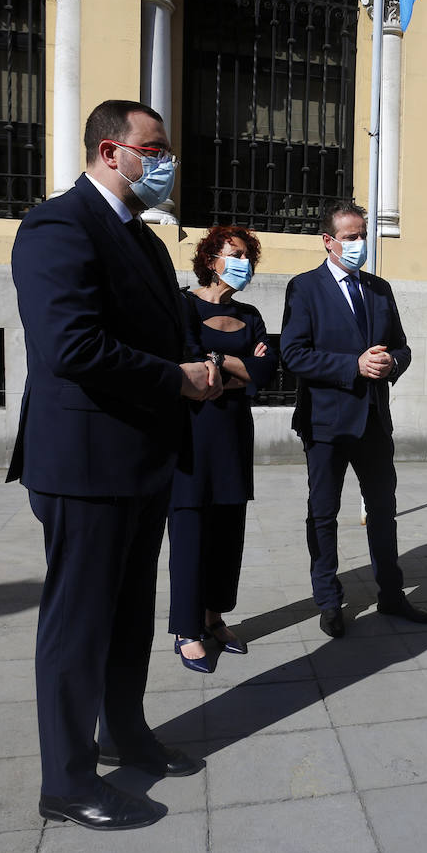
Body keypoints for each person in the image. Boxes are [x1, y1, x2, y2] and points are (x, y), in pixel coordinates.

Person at [8, 99, 218, 830]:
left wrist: (208, 362)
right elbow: (72, 347)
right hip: (86, 464)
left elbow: (163, 330)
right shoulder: (58, 226)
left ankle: (122, 731)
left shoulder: (144, 238)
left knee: (130, 618)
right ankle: (65, 782)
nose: (165, 163)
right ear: (109, 151)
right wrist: (177, 378)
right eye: (153, 149)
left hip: (142, 459)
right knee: (79, 624)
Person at [279, 201, 427, 638]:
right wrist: (354, 366)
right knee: (323, 514)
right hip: (326, 424)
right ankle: (329, 600)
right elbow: (293, 355)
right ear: (328, 242)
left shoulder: (379, 289)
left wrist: (391, 364)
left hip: (373, 422)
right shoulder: (304, 288)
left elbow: (401, 346)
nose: (359, 243)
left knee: (383, 511)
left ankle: (391, 594)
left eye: (363, 234)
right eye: (350, 237)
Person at [167, 226, 278, 673]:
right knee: (190, 531)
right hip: (191, 434)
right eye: (235, 254)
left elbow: (267, 370)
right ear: (211, 259)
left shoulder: (250, 315)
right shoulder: (183, 306)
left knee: (229, 531)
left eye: (248, 257)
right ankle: (185, 629)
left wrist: (216, 363)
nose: (244, 264)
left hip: (233, 434)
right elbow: (188, 360)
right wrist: (235, 366)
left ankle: (215, 616)